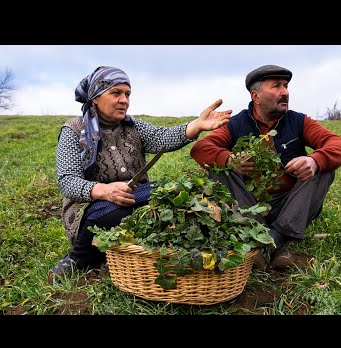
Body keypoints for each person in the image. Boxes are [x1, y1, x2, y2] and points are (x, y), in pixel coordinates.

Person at [49, 65, 231, 283]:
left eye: (127, 94)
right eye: (115, 93)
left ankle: (124, 255)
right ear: (95, 98)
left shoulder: (133, 126)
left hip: (135, 195)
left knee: (172, 194)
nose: (124, 100)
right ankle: (79, 258)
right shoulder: (73, 130)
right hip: (93, 205)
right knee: (115, 215)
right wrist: (104, 190)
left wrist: (197, 125)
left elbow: (162, 137)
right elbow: (68, 181)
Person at [190, 64, 341, 271]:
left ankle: (270, 242)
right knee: (218, 168)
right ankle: (272, 242)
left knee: (324, 168)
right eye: (276, 86)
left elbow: (339, 145)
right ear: (256, 96)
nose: (284, 92)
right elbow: (200, 148)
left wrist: (314, 160)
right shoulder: (237, 124)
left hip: (290, 205)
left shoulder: (298, 121)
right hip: (250, 207)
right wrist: (230, 160)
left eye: (285, 86)